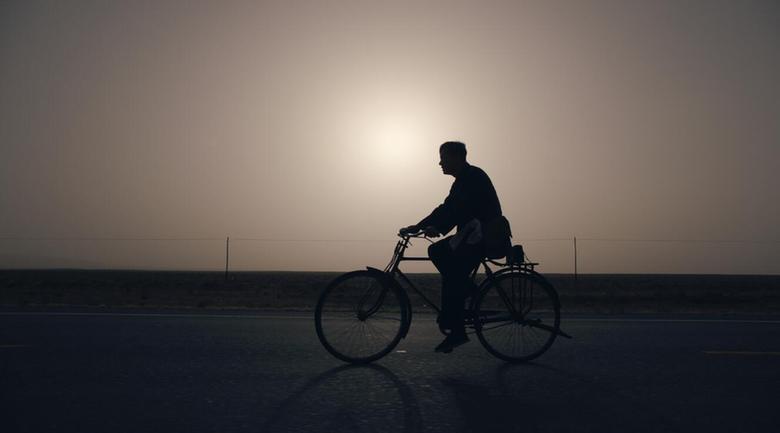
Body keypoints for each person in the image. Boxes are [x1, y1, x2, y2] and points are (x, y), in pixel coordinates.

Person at [399, 141, 509, 353]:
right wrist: (421, 226)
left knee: (450, 273)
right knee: (442, 257)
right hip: (471, 236)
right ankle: (465, 294)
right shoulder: (464, 179)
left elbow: (458, 209)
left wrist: (436, 227)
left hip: (482, 237)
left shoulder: (472, 177)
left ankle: (457, 329)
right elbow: (448, 207)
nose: (440, 162)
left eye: (443, 157)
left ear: (457, 158)